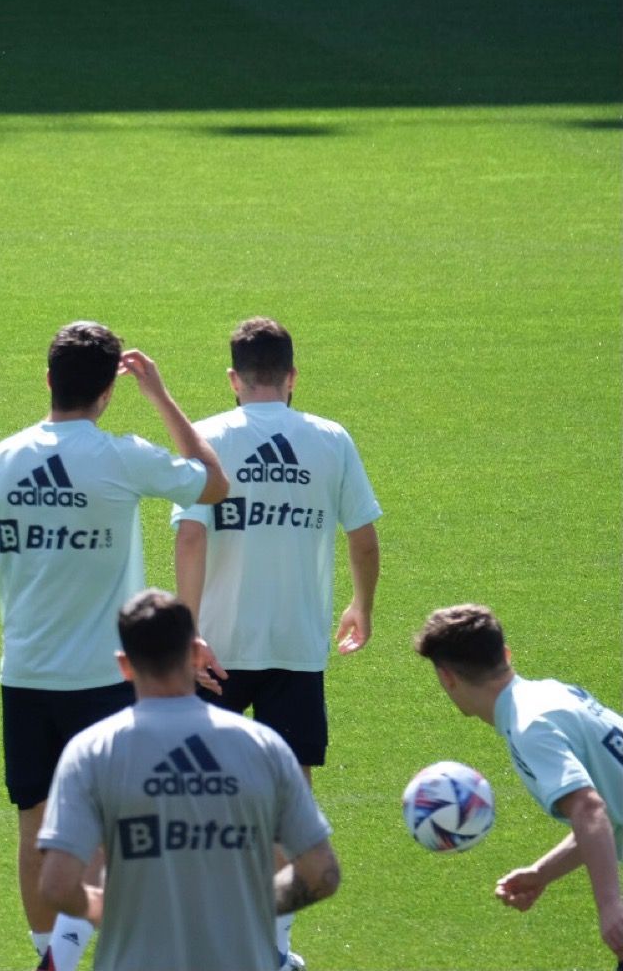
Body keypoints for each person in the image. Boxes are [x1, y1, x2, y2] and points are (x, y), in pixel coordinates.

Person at [0, 321, 229, 971]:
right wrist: (159, 396)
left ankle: (49, 952)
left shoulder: (2, 458)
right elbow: (213, 484)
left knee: (33, 825)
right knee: (100, 827)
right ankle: (69, 955)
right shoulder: (123, 456)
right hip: (104, 679)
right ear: (108, 391)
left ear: (49, 379)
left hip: (26, 677)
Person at [170, 316, 381, 966]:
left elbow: (191, 536)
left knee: (204, 795)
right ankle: (273, 948)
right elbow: (364, 537)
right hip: (296, 648)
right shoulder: (330, 439)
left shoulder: (205, 436)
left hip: (217, 652)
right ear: (292, 377)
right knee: (291, 800)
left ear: (234, 380)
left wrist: (188, 630)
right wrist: (360, 606)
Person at [38, 590, 341, 971]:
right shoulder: (264, 747)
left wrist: (102, 909)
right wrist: (246, 907)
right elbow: (322, 873)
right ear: (198, 655)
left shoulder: (92, 752)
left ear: (124, 666)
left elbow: (57, 886)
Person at [415, 604, 623, 967]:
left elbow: (590, 808)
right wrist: (543, 872)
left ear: (446, 677)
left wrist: (610, 906)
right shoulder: (551, 694)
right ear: (506, 655)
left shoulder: (530, 728)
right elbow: (606, 812)